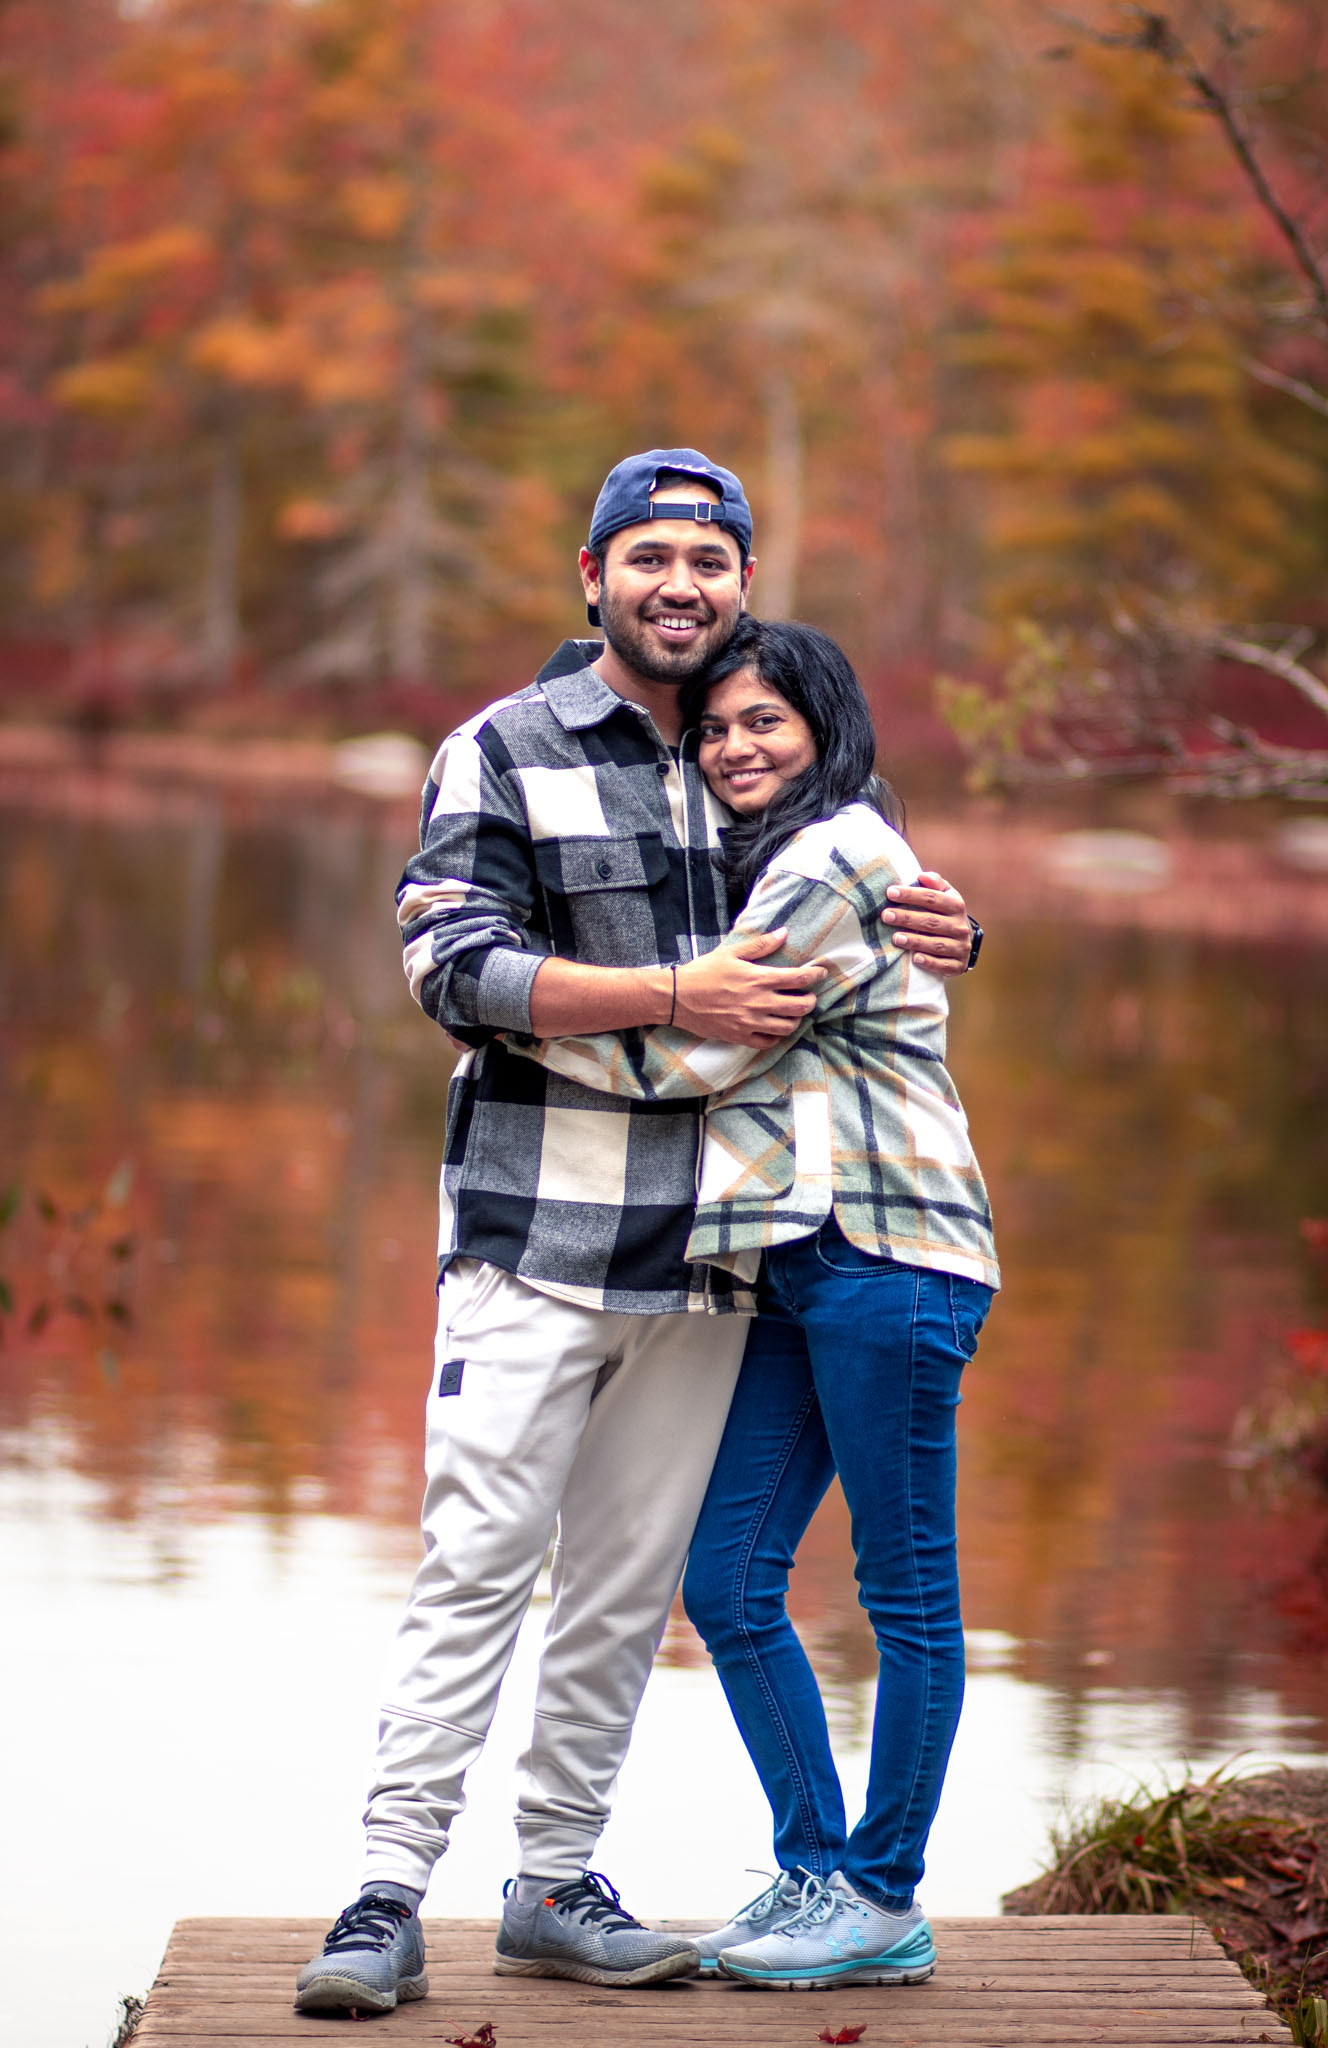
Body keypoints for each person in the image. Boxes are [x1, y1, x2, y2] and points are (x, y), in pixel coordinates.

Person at [294, 451, 979, 2016]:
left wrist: (959, 924)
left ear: (745, 583)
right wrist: (675, 999)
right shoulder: (506, 750)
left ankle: (553, 1883)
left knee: (623, 1588)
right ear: (590, 572)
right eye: (650, 555)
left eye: (712, 561)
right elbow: (450, 970)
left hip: (716, 1269)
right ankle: (385, 1896)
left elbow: (873, 934)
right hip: (530, 1240)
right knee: (474, 1563)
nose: (683, 584)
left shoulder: (779, 766)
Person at [506, 614, 997, 1992]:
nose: (733, 747)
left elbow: (699, 1046)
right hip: (795, 1259)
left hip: (890, 1250)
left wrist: (518, 1011)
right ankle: (817, 1873)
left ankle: (883, 1890)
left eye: (763, 722)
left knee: (907, 1594)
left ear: (825, 726)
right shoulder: (780, 861)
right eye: (716, 728)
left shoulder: (840, 853)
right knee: (726, 1578)